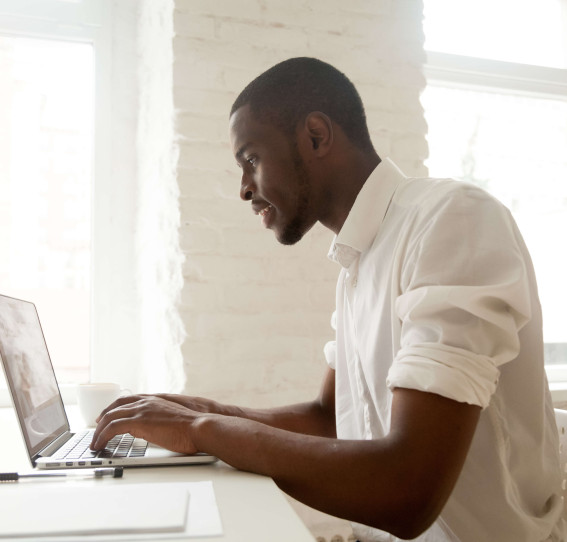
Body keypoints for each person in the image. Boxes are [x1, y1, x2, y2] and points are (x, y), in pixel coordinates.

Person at [91, 57, 565, 541]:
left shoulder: (452, 219)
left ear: (316, 136)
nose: (243, 189)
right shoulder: (359, 260)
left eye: (251, 158)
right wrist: (202, 412)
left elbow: (407, 490)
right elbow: (329, 418)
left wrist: (203, 431)